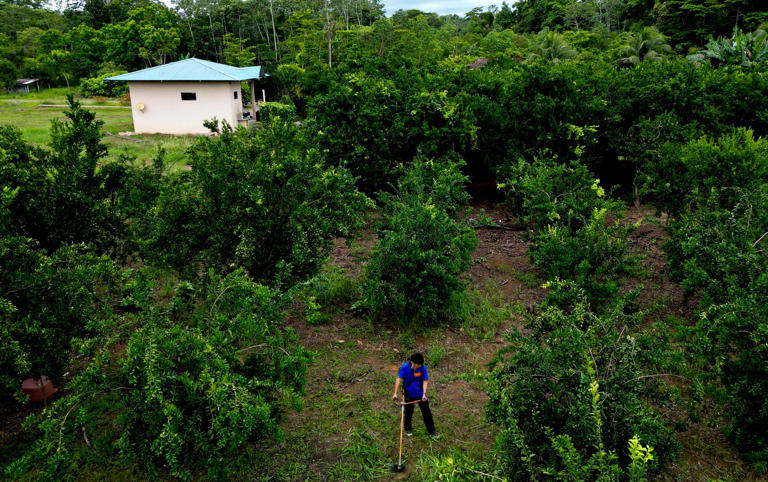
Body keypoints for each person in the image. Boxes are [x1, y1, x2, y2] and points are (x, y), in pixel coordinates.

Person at [392, 352, 438, 438]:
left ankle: (432, 430)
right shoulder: (405, 367)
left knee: (427, 413)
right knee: (409, 412)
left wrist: (424, 394)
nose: (420, 366)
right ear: (413, 362)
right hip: (408, 394)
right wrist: (395, 393)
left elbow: (425, 380)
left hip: (420, 394)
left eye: (421, 364)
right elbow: (399, 379)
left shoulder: (423, 367)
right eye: (418, 364)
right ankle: (408, 428)